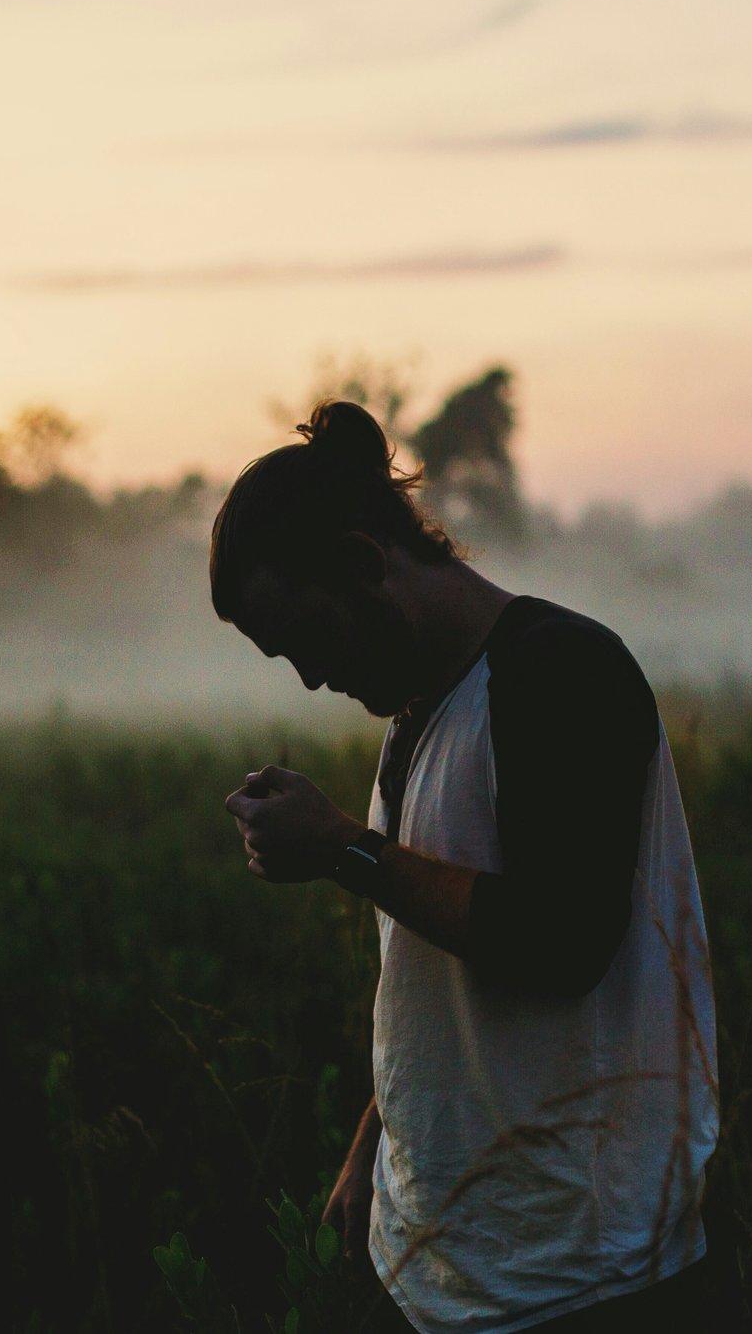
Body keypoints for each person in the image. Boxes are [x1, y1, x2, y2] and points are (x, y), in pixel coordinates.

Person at [214, 400, 720, 1333]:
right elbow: (447, 971)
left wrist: (340, 848)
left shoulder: (560, 671)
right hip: (454, 1272)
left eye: (308, 639)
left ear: (366, 566)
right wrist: (375, 1141)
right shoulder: (417, 715)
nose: (312, 679)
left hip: (586, 1275)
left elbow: (560, 940)